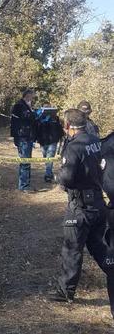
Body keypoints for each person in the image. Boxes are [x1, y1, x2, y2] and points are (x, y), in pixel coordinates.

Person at [49, 108, 114, 320]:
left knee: (72, 249)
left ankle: (64, 291)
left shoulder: (74, 146)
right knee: (98, 246)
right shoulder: (96, 141)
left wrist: (59, 176)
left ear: (67, 126)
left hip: (79, 208)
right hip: (98, 203)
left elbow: (66, 178)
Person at [10, 89, 37, 192]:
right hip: (23, 137)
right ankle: (24, 186)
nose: (32, 98)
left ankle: (26, 184)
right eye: (31, 96)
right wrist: (32, 110)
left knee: (27, 161)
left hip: (27, 136)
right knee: (25, 161)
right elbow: (27, 117)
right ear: (27, 95)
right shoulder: (19, 105)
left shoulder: (25, 106)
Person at [35, 108, 63, 183]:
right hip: (43, 141)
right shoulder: (39, 118)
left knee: (49, 158)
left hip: (52, 141)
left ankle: (47, 175)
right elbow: (36, 128)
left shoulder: (55, 118)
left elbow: (59, 128)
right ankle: (49, 173)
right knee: (46, 158)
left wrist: (60, 137)